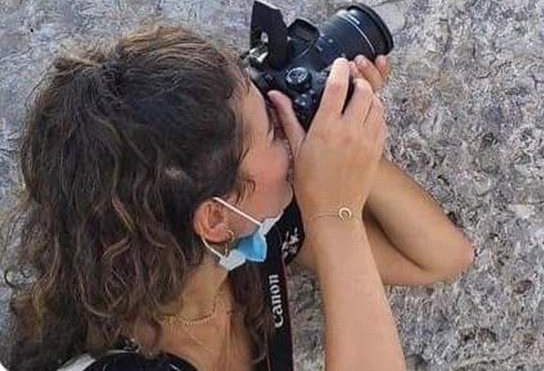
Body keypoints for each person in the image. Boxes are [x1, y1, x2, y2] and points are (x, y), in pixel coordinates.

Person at [4, 23, 474, 371]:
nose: (289, 138)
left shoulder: (238, 251)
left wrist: (334, 128)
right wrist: (336, 214)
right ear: (212, 217)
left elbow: (441, 255)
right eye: (273, 128)